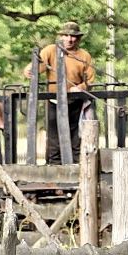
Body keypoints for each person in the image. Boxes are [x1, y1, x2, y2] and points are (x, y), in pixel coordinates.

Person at [24, 21, 96, 165]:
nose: (69, 39)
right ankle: (54, 168)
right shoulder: (50, 50)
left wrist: (80, 88)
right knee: (53, 138)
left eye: (73, 36)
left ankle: (77, 168)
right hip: (54, 101)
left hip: (75, 101)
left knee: (76, 137)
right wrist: (31, 70)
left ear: (78, 39)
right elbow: (33, 69)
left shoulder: (84, 55)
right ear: (61, 36)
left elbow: (90, 80)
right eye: (66, 35)